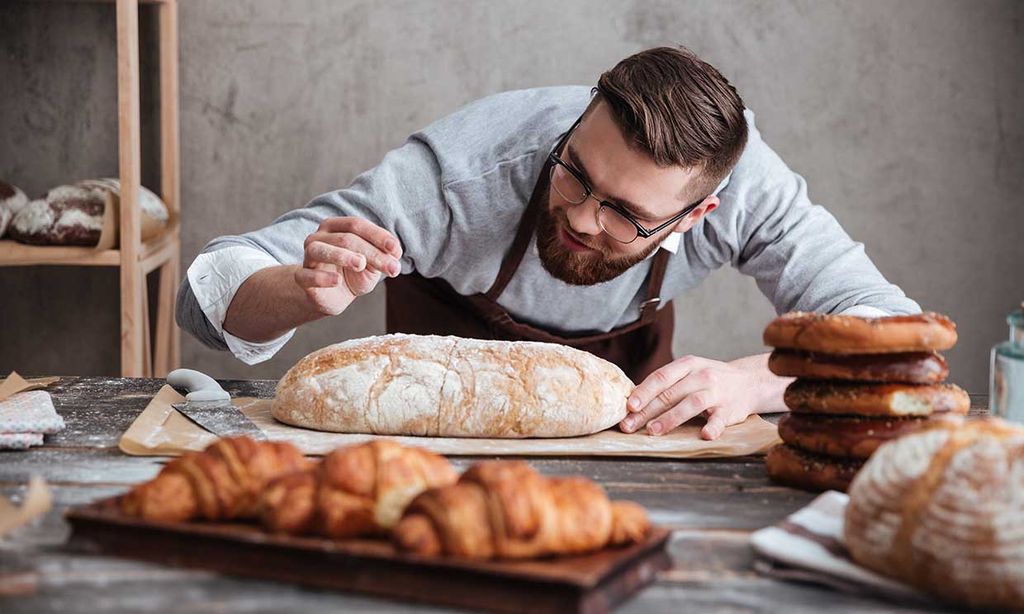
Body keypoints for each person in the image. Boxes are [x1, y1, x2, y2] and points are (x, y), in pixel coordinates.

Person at [177, 46, 919, 441]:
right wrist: (301, 293)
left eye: (626, 213)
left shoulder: (753, 187)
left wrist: (755, 383)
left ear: (699, 216)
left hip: (639, 453)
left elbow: (895, 337)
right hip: (434, 455)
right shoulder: (463, 174)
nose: (585, 219)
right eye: (576, 174)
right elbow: (205, 295)